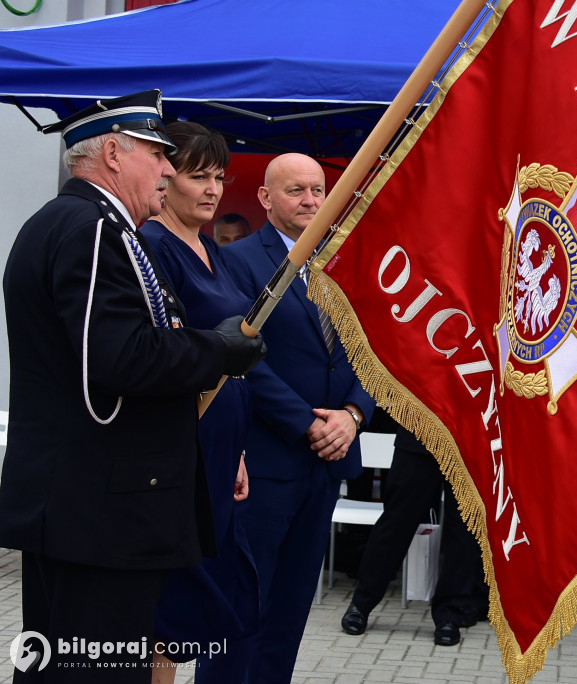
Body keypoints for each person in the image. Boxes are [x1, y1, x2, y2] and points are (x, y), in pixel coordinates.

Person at [0, 90, 266, 683]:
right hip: (100, 508)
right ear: (114, 153)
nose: (169, 168)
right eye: (158, 152)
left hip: (85, 504)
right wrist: (218, 349)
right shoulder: (95, 228)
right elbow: (122, 358)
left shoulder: (75, 223)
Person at [221, 152, 375, 683]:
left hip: (326, 466)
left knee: (290, 611)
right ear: (265, 199)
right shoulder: (238, 262)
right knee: (245, 605)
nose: (311, 200)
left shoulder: (346, 258)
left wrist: (354, 413)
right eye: (296, 191)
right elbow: (244, 360)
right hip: (266, 464)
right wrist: (308, 423)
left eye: (318, 189)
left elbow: (373, 350)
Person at [139, 121, 258, 683]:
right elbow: (170, 354)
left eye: (219, 177)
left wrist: (234, 451)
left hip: (219, 443)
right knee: (171, 596)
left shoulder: (209, 246)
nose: (213, 189)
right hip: (180, 443)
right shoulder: (154, 247)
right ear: (165, 177)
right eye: (198, 175)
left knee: (208, 584)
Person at [340, 426, 488, 646]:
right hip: (421, 427)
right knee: (396, 520)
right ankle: (361, 603)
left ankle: (450, 614)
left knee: (464, 531)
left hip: (471, 434)